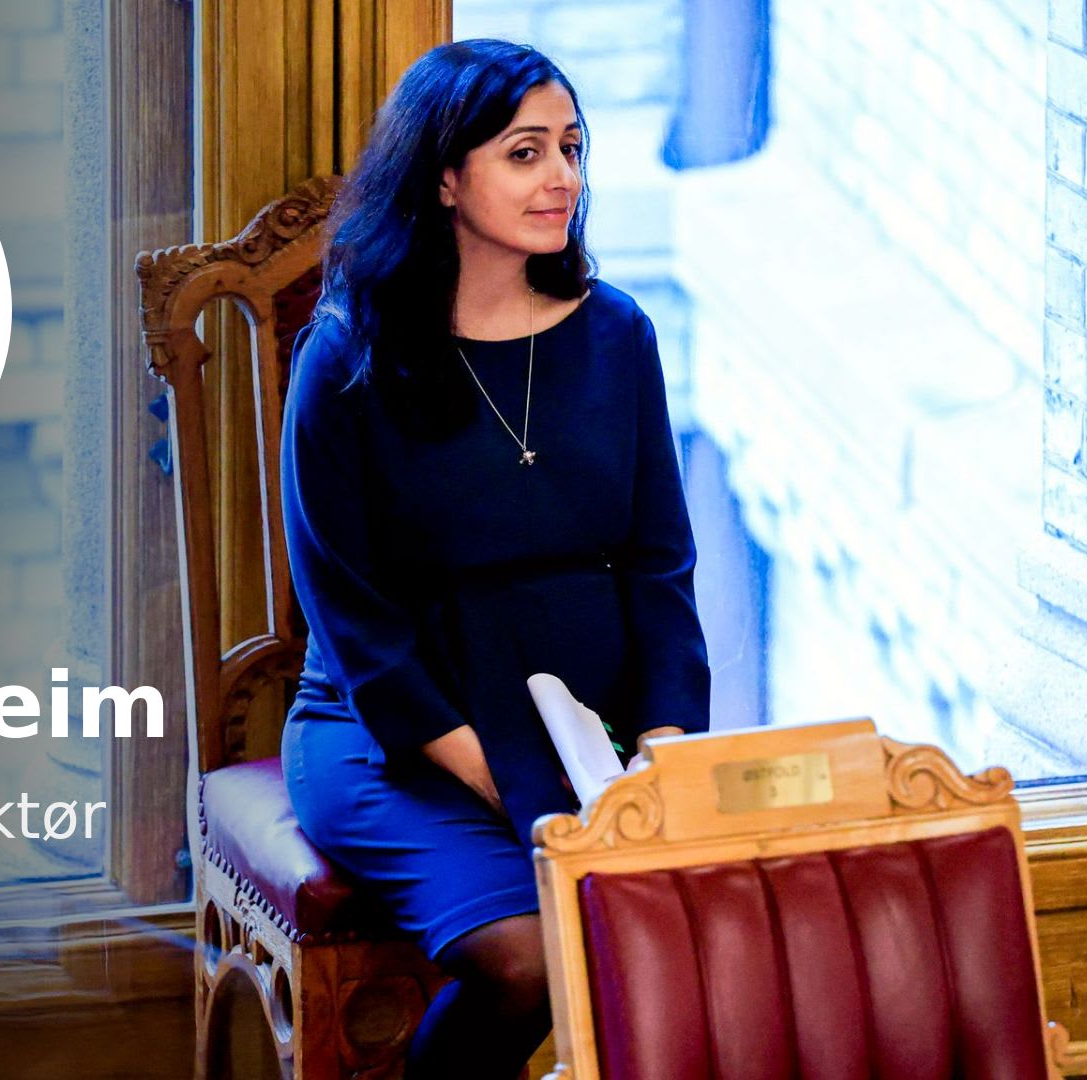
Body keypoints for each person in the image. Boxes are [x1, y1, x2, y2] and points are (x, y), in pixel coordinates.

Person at [279, 40, 711, 1079]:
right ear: (443, 178)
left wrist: (659, 757)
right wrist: (504, 777)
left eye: (571, 148)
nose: (562, 176)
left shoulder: (618, 334)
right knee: (532, 960)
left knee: (698, 929)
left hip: (584, 735)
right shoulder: (347, 356)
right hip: (399, 741)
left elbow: (660, 567)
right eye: (525, 153)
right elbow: (351, 614)